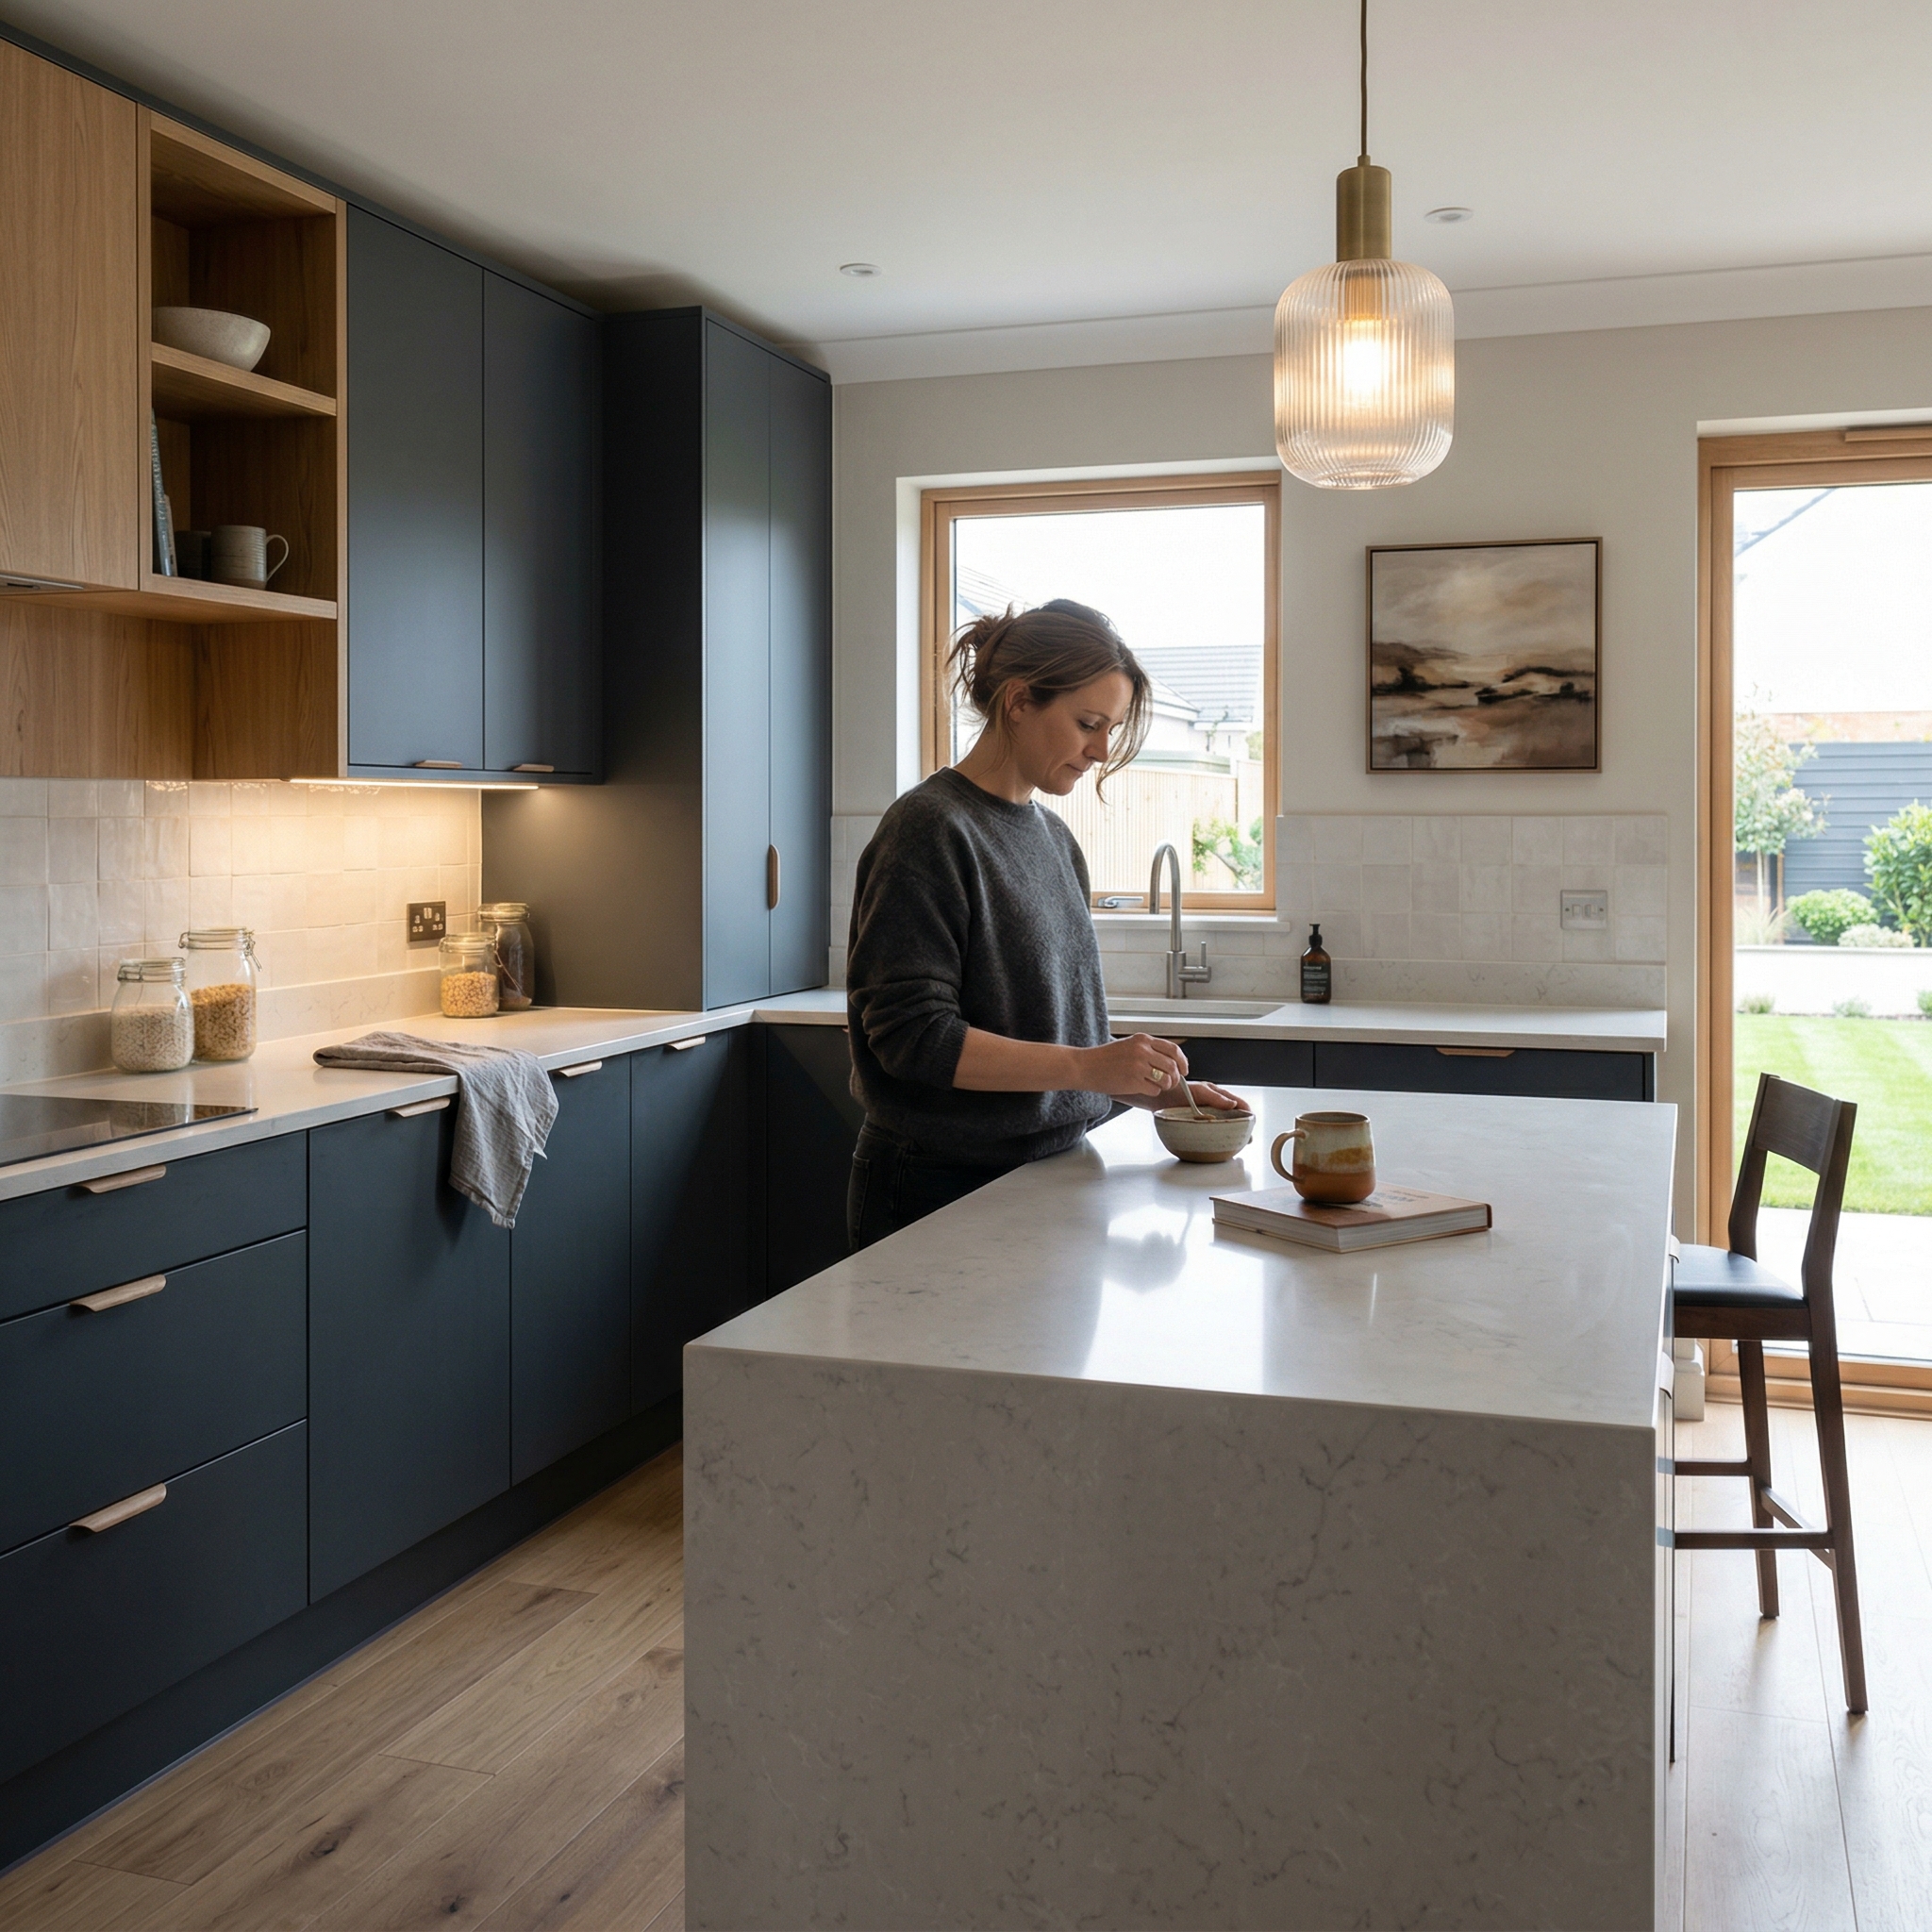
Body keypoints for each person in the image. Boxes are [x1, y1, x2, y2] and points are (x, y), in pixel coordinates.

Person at [844, 598, 1242, 1249]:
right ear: (1019, 701)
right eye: (1088, 723)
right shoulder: (929, 830)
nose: (1101, 750)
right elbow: (915, 1039)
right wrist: (1090, 1067)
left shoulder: (1055, 840)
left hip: (1056, 1171)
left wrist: (1151, 1091)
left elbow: (1046, 1038)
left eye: (1111, 729)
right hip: (940, 1184)